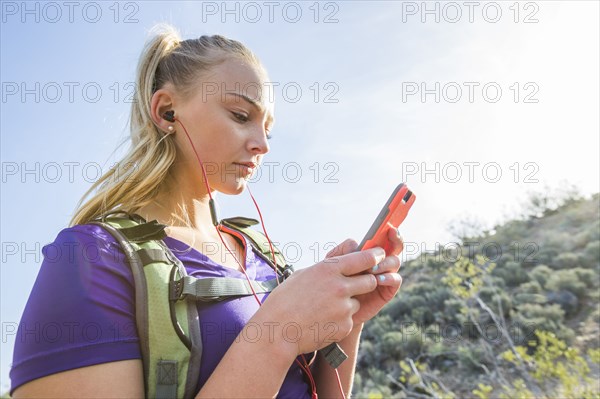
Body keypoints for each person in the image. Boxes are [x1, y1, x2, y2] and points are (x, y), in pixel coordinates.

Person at [10, 24, 404, 398]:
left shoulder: (260, 251)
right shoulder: (92, 257)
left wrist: (346, 324)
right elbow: (274, 340)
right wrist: (279, 330)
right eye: (240, 116)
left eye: (268, 128)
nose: (263, 144)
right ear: (166, 112)